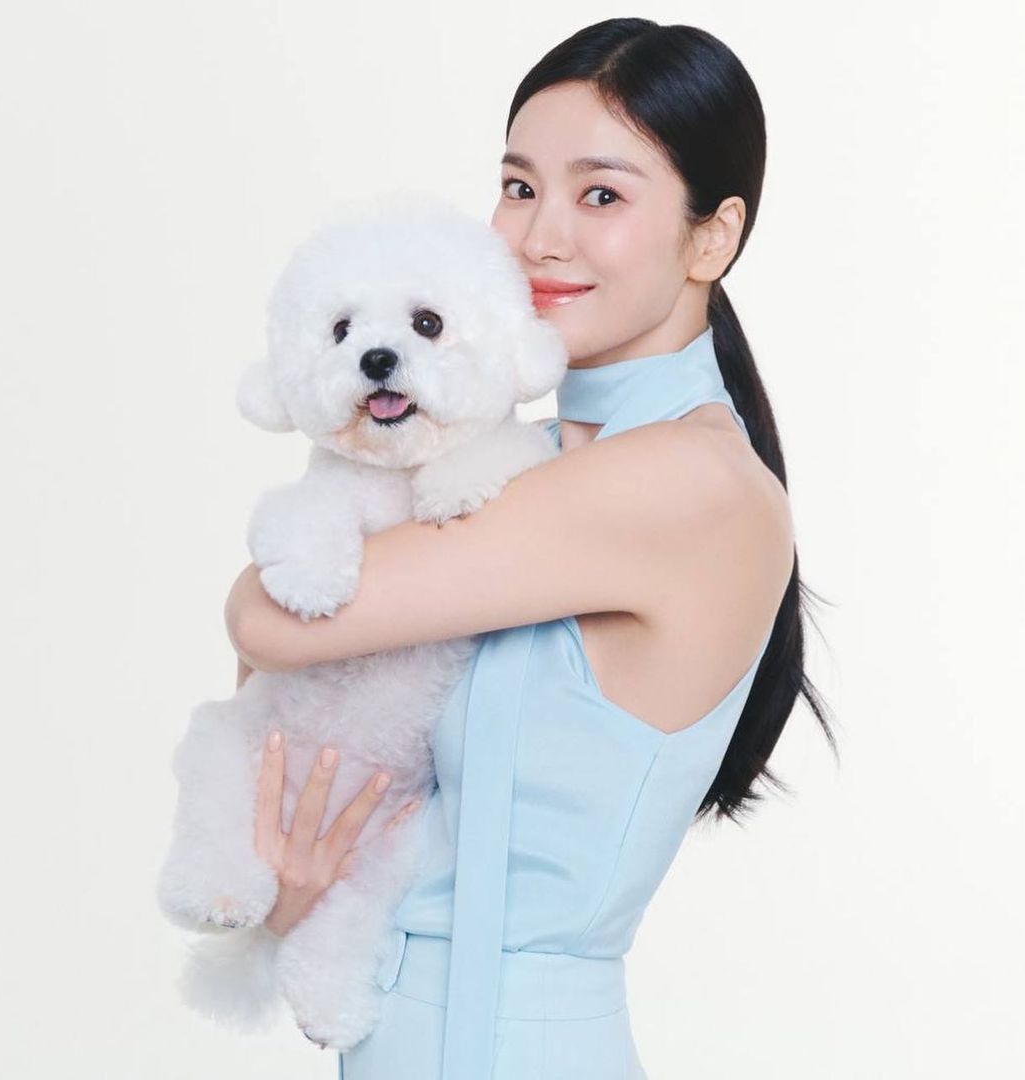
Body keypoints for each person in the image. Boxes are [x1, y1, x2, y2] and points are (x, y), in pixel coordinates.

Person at [225, 17, 835, 1079]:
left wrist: (290, 588)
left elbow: (266, 616)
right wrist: (290, 882)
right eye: (519, 186)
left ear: (712, 237)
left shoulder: (686, 478)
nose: (541, 236)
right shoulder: (525, 461)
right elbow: (294, 687)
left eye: (601, 195)